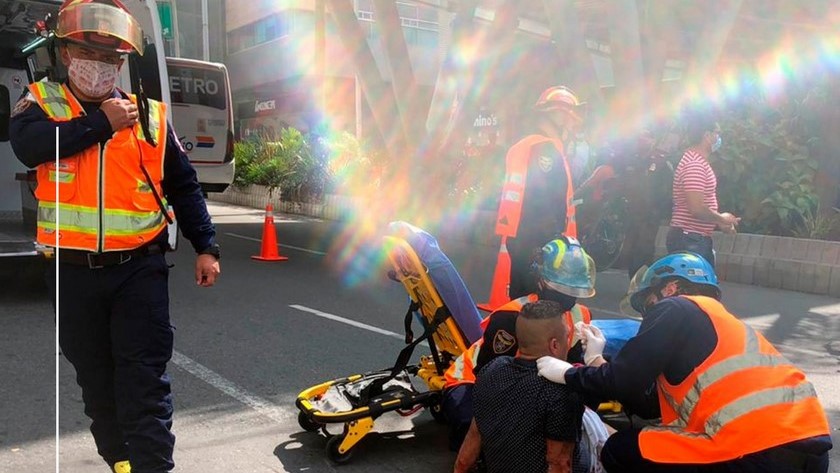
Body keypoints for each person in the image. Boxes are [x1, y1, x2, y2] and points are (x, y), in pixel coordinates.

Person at [9, 1, 221, 472]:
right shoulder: (40, 104)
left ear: (123, 62)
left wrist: (206, 246)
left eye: (111, 57)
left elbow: (183, 184)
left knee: (143, 382)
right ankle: (120, 461)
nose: (100, 65)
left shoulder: (149, 116)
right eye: (90, 51)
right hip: (71, 273)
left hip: (138, 269)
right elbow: (29, 148)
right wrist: (100, 124)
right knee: (97, 382)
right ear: (66, 53)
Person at [537, 252, 833, 473]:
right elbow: (647, 403)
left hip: (755, 450)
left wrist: (569, 374)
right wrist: (598, 360)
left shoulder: (676, 307)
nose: (647, 314)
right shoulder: (724, 329)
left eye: (647, 303)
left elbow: (624, 382)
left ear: (669, 289)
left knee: (621, 449)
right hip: (807, 448)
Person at [441, 237, 595, 452]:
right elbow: (490, 374)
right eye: (562, 289)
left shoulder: (581, 315)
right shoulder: (511, 316)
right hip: (472, 379)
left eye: (574, 292)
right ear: (541, 281)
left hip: (534, 382)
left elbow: (575, 369)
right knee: (474, 423)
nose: (569, 299)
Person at [454, 300, 590, 473]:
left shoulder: (492, 369)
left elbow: (469, 449)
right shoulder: (561, 391)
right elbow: (560, 464)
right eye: (567, 336)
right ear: (554, 345)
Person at [496, 86, 582, 299]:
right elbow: (543, 199)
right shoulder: (545, 149)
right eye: (570, 119)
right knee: (535, 302)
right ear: (558, 117)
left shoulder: (528, 145)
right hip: (537, 240)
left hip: (522, 235)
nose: (572, 126)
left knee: (521, 298)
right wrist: (551, 240)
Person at [667, 111, 740, 267]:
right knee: (696, 289)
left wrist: (719, 221)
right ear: (707, 135)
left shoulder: (696, 162)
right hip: (690, 239)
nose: (718, 138)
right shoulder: (695, 165)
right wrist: (722, 219)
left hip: (693, 238)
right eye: (717, 133)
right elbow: (697, 208)